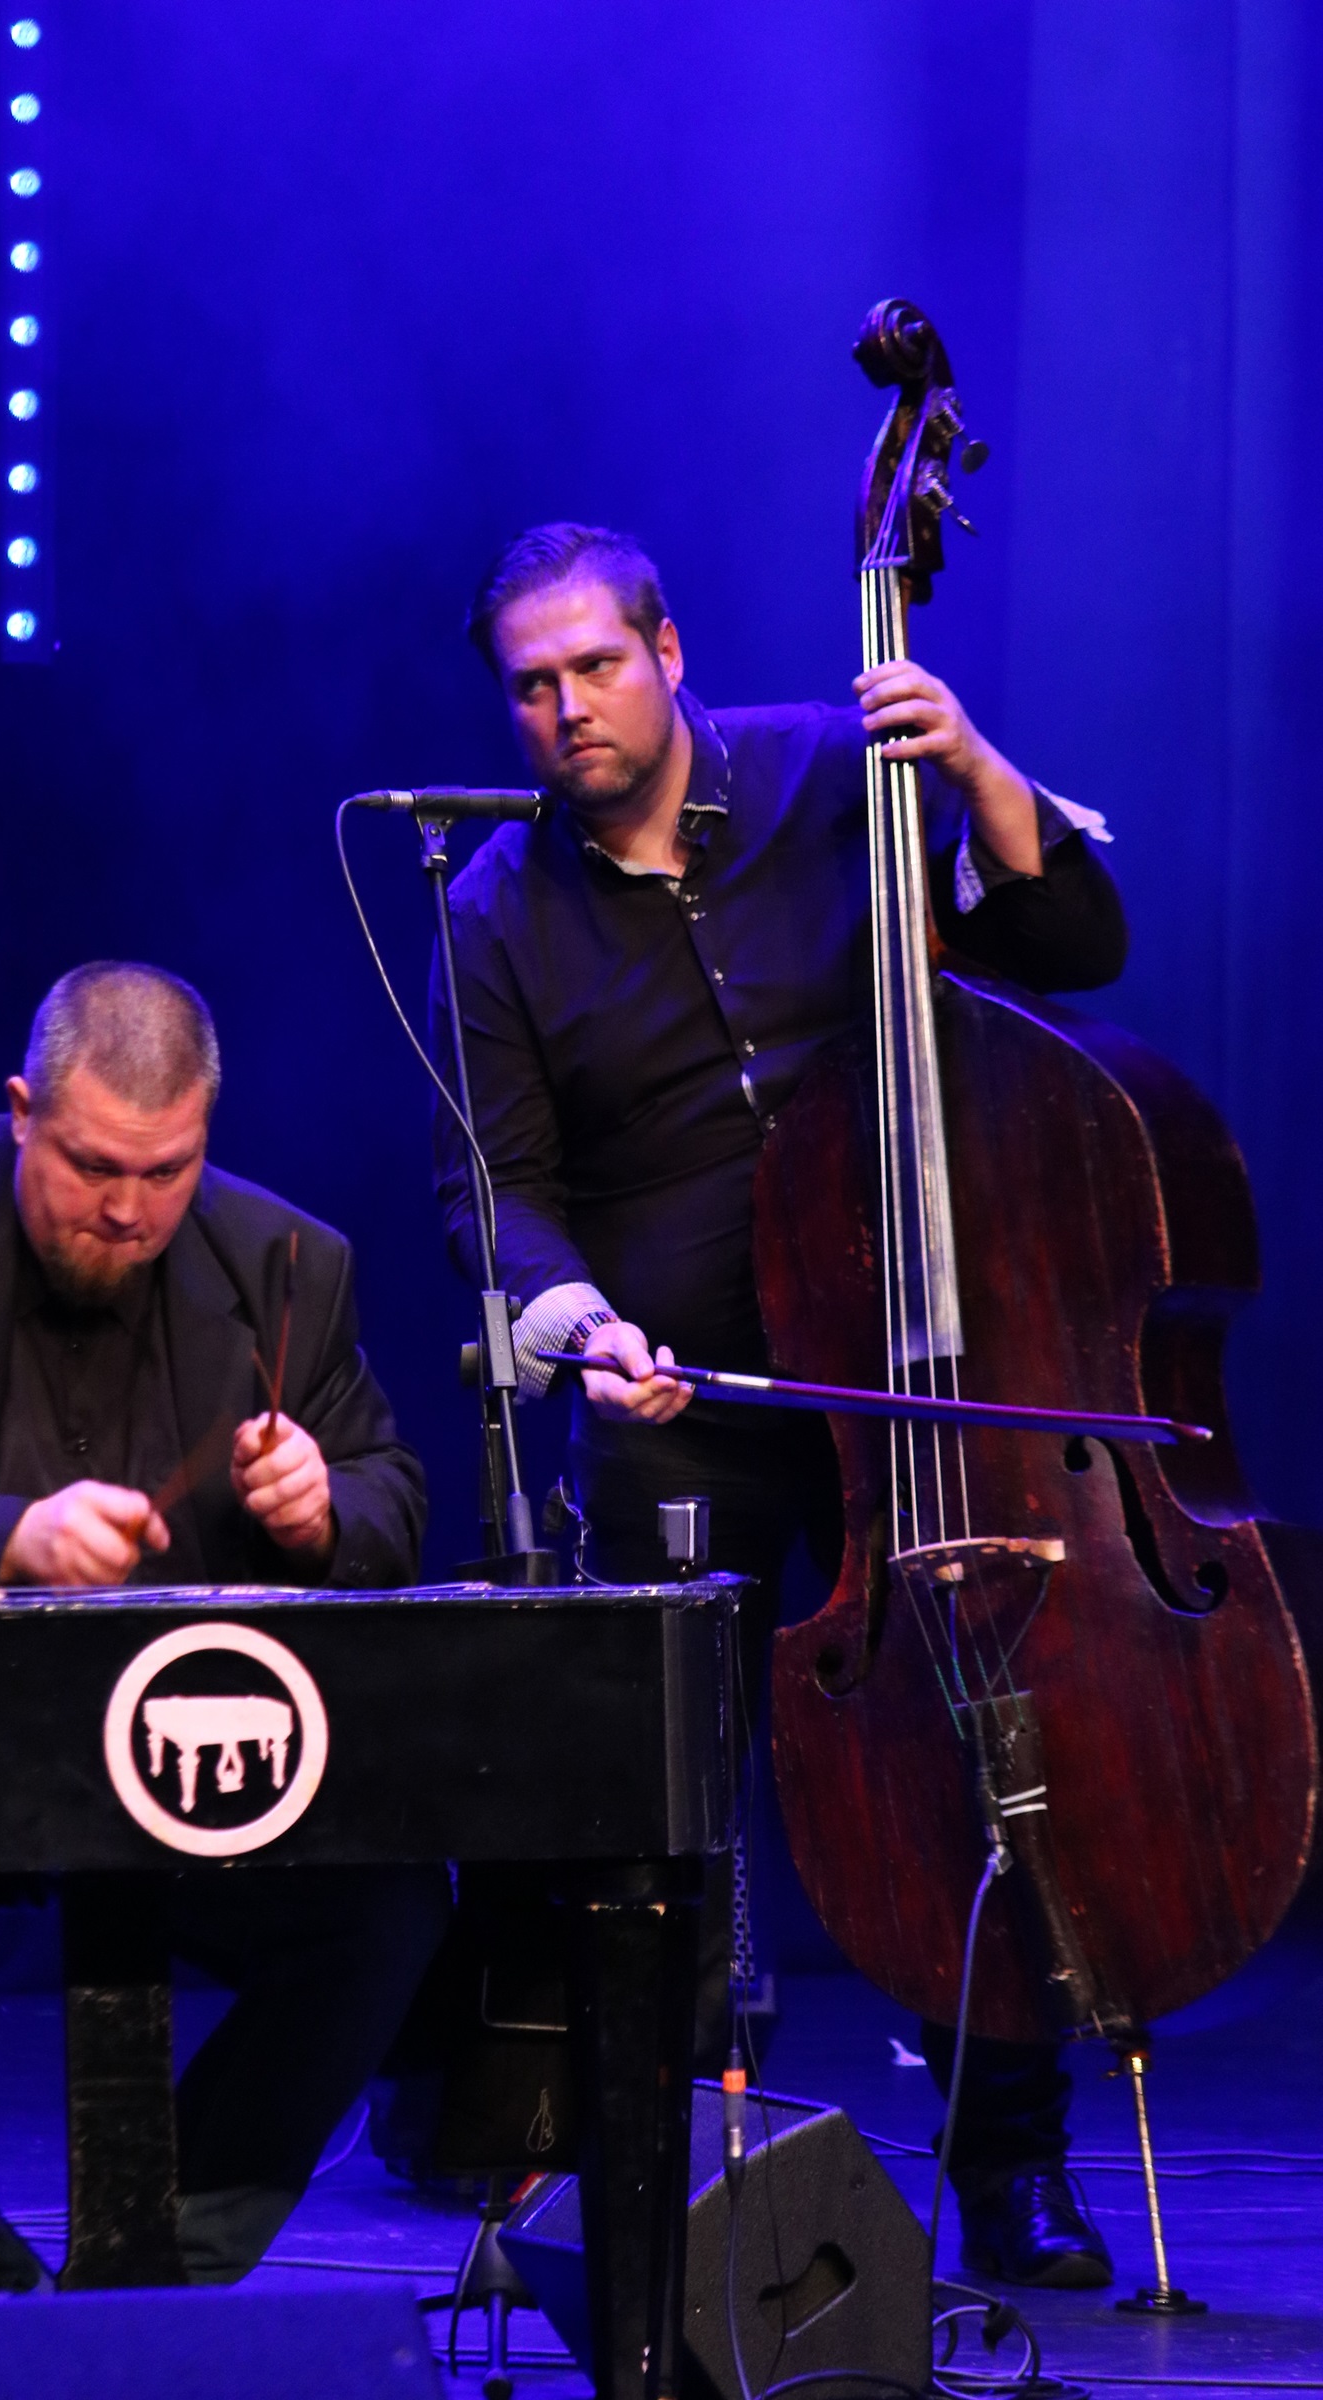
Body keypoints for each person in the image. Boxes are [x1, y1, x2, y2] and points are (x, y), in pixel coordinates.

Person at [431, 522, 1126, 2289]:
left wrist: (979, 772)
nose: (569, 708)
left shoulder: (835, 771)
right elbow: (494, 1188)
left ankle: (1011, 2160)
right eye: (532, 685)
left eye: (596, 665)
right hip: (688, 1390)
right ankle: (649, 2161)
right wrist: (583, 1324)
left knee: (979, 1756)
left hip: (920, 1369)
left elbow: (1074, 944)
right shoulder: (494, 913)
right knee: (666, 1789)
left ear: (667, 649)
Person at [0, 961, 449, 2295]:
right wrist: (5, 1538)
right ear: (22, 1112)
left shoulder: (285, 1259)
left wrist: (320, 1509)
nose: (127, 1211)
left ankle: (158, 2280)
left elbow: (390, 1494)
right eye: (94, 1167)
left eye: (166, 1173)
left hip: (183, 1765)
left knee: (385, 1910)